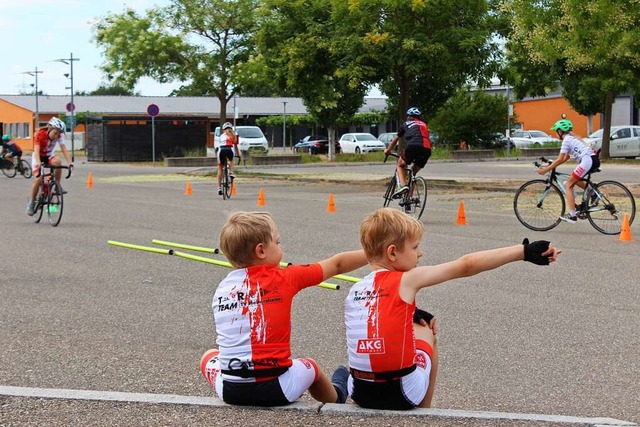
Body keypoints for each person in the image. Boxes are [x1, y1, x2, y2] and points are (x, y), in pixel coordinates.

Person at [345, 208, 561, 410]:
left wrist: (411, 313)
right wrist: (523, 251)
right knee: (427, 332)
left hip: (360, 392)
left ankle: (342, 381)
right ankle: (424, 413)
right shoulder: (408, 279)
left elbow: (376, 321)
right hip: (402, 393)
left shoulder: (354, 289)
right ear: (392, 253)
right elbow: (466, 265)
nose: (420, 253)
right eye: (415, 247)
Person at [200, 211, 368, 407]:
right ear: (261, 250)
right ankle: (336, 395)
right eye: (277, 242)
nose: (281, 247)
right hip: (276, 389)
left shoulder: (222, 288)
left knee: (208, 355)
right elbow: (337, 264)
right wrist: (375, 253)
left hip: (231, 391)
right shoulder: (285, 277)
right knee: (310, 366)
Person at [537, 119, 600, 224]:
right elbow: (565, 158)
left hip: (588, 160)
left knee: (569, 185)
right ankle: (593, 193)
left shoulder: (567, 140)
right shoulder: (571, 138)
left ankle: (572, 215)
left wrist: (545, 170)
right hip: (593, 159)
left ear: (560, 131)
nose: (556, 134)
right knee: (573, 178)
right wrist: (547, 165)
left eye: (556, 131)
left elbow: (560, 159)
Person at [26, 117, 73, 216]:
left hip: (48, 155)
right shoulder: (40, 134)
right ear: (49, 128)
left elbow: (63, 149)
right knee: (39, 179)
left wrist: (70, 163)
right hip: (38, 156)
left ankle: (56, 186)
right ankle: (32, 202)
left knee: (58, 162)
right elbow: (36, 151)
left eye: (59, 134)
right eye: (55, 133)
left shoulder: (59, 136)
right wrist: (38, 163)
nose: (57, 136)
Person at [384, 107, 432, 200]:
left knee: (400, 165)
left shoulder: (405, 124)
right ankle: (409, 198)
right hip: (427, 149)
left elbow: (396, 139)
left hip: (413, 146)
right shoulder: (424, 125)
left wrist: (388, 150)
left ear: (409, 117)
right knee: (413, 173)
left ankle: (402, 186)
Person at [216, 122, 241, 195]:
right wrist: (238, 155)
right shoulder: (234, 135)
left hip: (221, 150)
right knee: (231, 160)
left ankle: (219, 188)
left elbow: (217, 147)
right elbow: (235, 146)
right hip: (229, 149)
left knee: (220, 167)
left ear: (223, 130)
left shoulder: (220, 136)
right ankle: (231, 172)